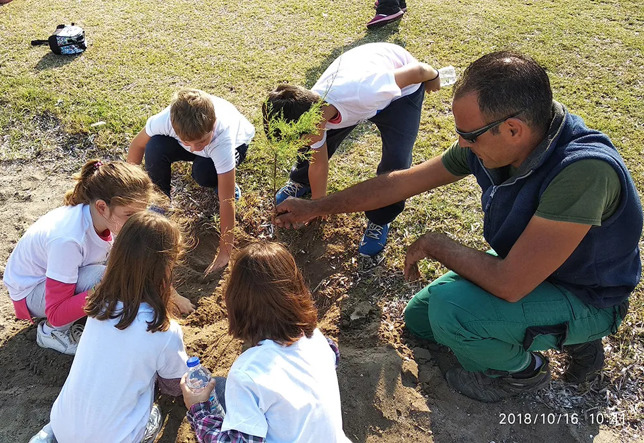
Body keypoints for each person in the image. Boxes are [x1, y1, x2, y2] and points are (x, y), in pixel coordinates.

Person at [275, 51, 642, 402]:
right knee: (421, 318)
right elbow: (398, 183)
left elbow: (509, 284)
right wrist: (316, 206)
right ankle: (550, 333)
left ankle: (526, 370)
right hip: (531, 267)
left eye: (470, 135)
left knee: (453, 312)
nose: (462, 143)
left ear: (513, 129)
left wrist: (438, 244)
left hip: (586, 293)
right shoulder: (497, 141)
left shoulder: (583, 171)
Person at [264, 42, 441, 259]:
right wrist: (317, 207)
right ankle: (301, 182)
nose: (300, 144)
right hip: (355, 86)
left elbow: (419, 70)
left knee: (397, 160)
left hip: (402, 94)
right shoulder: (311, 111)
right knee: (313, 149)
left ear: (314, 122)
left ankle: (380, 219)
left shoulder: (364, 91)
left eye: (299, 138)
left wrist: (433, 77)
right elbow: (318, 163)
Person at [29, 211, 190, 443]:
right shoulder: (164, 331)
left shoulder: (98, 307)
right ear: (166, 270)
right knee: (152, 409)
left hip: (62, 427)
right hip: (114, 438)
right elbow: (176, 385)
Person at [3, 160, 193, 355]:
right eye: (129, 214)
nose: (136, 222)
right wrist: (106, 289)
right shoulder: (68, 240)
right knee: (106, 278)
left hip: (66, 276)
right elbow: (56, 312)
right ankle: (52, 333)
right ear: (102, 207)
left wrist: (173, 295)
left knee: (116, 275)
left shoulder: (111, 219)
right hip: (31, 295)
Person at [181, 242, 351, 442]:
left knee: (217, 391)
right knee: (219, 387)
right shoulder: (317, 338)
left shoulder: (247, 373)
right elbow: (334, 356)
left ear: (236, 303)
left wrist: (199, 409)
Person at [128, 88, 255, 275]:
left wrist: (225, 253)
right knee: (155, 146)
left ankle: (223, 180)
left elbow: (226, 201)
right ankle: (159, 206)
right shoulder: (165, 120)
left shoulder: (222, 139)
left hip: (236, 145)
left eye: (201, 141)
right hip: (198, 138)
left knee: (203, 173)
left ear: (212, 126)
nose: (195, 149)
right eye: (188, 142)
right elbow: (137, 145)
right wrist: (130, 193)